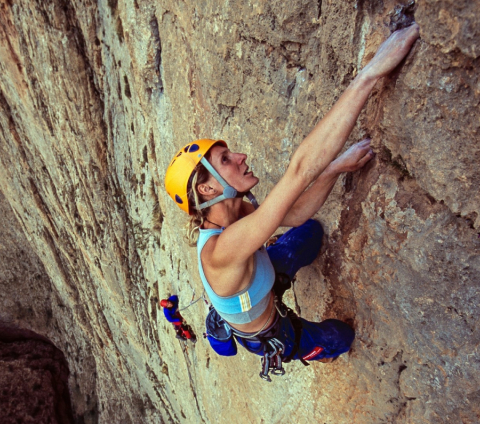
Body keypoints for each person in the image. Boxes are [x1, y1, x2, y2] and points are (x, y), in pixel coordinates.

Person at [163, 24, 420, 380]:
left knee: (309, 231)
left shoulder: (237, 209)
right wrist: (371, 73)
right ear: (207, 190)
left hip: (261, 278)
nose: (241, 156)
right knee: (340, 337)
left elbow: (296, 211)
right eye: (225, 161)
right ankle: (317, 352)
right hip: (272, 331)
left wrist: (334, 169)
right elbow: (299, 171)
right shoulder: (221, 251)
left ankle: (276, 272)